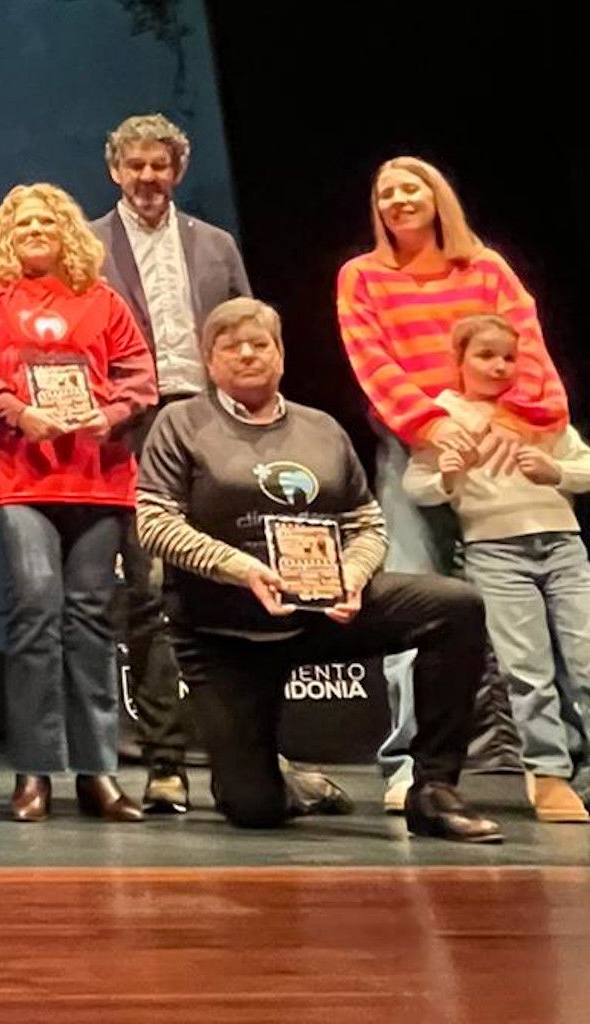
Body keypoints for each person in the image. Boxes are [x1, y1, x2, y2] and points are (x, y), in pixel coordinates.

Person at [138, 297, 502, 842]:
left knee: (454, 606)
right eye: (230, 346)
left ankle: (433, 788)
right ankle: (292, 785)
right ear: (209, 362)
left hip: (319, 612)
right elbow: (155, 522)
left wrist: (354, 574)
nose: (246, 354)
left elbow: (366, 522)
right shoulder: (181, 423)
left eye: (260, 343)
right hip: (224, 632)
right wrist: (242, 568)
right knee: (252, 807)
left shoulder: (321, 429)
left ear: (280, 354)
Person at [336, 156, 568, 810]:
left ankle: (551, 767)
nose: (399, 200)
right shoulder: (362, 278)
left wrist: (510, 420)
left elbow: (530, 351)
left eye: (412, 188)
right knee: (412, 595)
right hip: (416, 448)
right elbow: (371, 362)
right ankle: (410, 768)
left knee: (529, 608)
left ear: (439, 197)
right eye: (386, 193)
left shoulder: (487, 270)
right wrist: (433, 425)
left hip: (499, 442)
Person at [0, 182, 155, 822]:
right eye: (22, 221)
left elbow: (140, 378)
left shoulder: (102, 300)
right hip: (19, 475)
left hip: (97, 475)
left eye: (46, 220)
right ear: (5, 235)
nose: (35, 229)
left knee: (92, 617)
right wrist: (18, 411)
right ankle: (33, 771)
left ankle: (98, 772)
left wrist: (108, 415)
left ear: (68, 231)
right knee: (36, 609)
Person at [89, 114, 251, 813]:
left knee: (222, 586)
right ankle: (163, 763)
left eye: (160, 165)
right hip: (130, 430)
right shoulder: (87, 247)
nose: (148, 177)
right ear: (115, 171)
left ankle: (244, 750)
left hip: (209, 423)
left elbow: (248, 335)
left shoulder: (216, 245)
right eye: (136, 165)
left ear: (177, 171)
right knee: (147, 594)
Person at [404, 314, 590, 822]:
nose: (500, 366)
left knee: (585, 656)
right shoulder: (444, 414)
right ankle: (549, 774)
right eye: (486, 355)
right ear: (460, 360)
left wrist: (558, 472)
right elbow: (415, 485)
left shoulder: (539, 409)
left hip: (563, 544)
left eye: (509, 357)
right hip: (495, 550)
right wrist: (445, 475)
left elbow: (585, 466)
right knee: (527, 668)